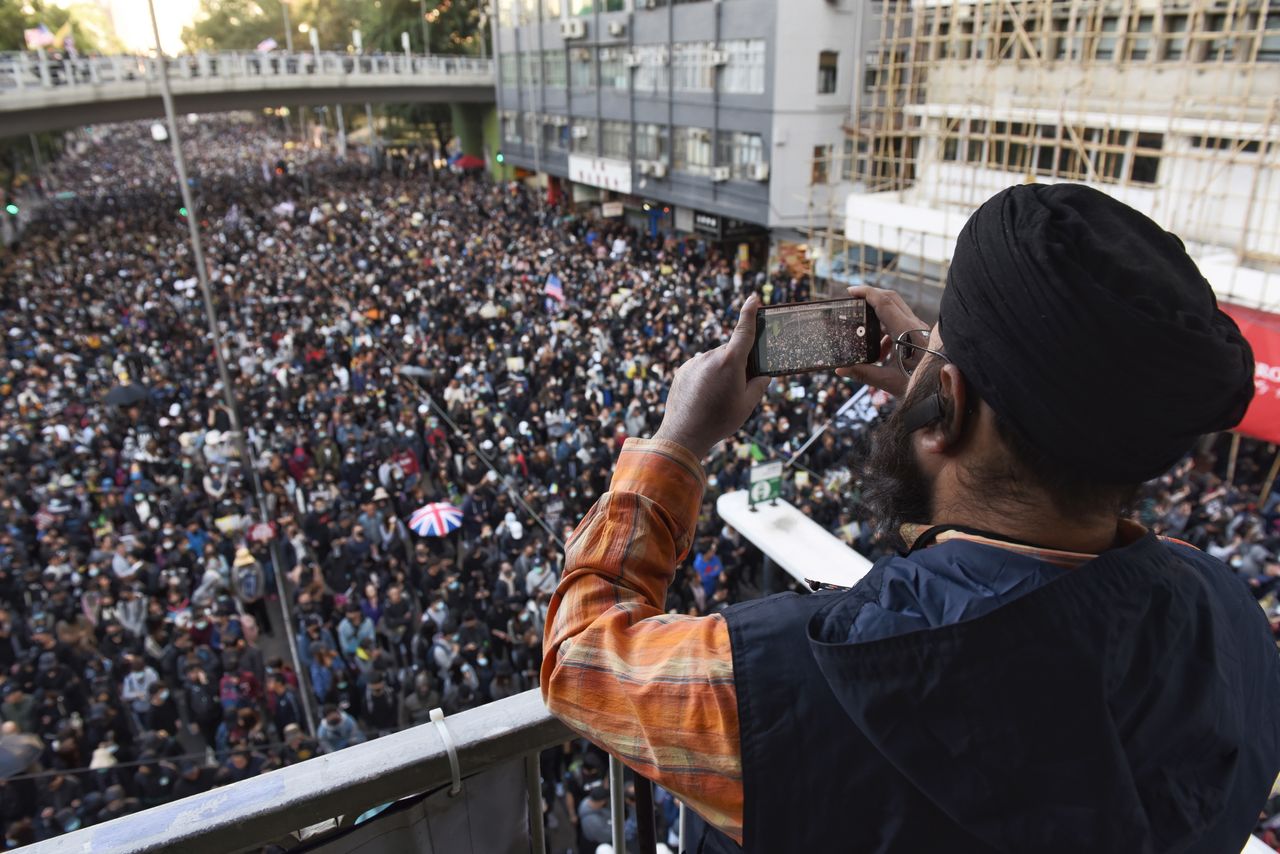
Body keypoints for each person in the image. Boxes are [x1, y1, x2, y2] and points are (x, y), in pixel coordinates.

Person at [541, 184, 1280, 851]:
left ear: (946, 411)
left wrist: (677, 443)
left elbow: (581, 655)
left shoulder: (812, 678)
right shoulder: (1227, 617)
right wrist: (939, 367)